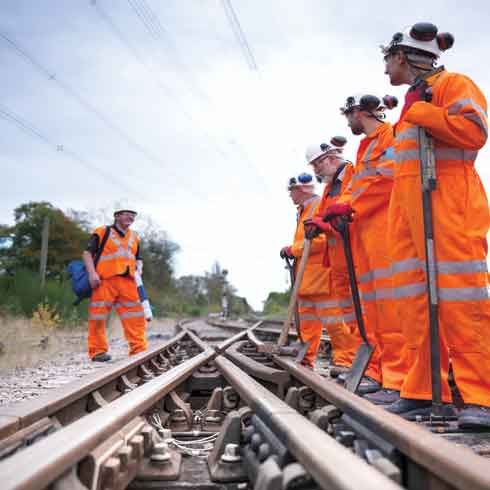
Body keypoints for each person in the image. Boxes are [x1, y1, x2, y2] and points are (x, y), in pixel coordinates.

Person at [381, 22, 490, 426]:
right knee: (413, 305)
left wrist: (426, 111)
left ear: (404, 56)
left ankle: (481, 395)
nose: (385, 69)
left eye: (387, 59)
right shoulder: (411, 105)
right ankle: (423, 389)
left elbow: (475, 132)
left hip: (449, 206)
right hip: (410, 212)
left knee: (462, 303)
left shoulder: (453, 85)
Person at [320, 94, 408, 404]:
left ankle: (396, 380)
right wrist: (341, 209)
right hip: (365, 237)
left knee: (389, 311)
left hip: (384, 232)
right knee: (371, 311)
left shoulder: (389, 136)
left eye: (348, 115)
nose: (347, 122)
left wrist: (348, 205)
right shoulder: (366, 146)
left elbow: (386, 181)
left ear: (360, 112)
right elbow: (360, 188)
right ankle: (379, 372)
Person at [305, 139, 381, 393]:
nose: (317, 171)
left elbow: (354, 207)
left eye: (318, 164)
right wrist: (320, 225)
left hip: (354, 254)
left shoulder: (350, 173)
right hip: (338, 256)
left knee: (365, 314)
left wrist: (329, 222)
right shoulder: (329, 187)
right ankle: (359, 365)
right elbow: (331, 214)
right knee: (351, 316)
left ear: (329, 158)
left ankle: (374, 369)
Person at [281, 172, 354, 369]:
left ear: (302, 189)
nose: (290, 195)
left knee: (336, 324)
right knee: (305, 325)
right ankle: (305, 361)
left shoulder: (317, 206)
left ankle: (345, 363)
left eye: (292, 190)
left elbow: (320, 238)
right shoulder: (303, 210)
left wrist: (293, 249)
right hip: (305, 279)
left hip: (321, 277)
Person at [83, 208, 148, 362]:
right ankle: (98, 352)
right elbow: (87, 253)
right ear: (117, 216)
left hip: (129, 282)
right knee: (98, 316)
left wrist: (140, 266)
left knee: (136, 317)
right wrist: (92, 274)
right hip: (105, 281)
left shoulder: (135, 237)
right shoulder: (102, 232)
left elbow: (138, 257)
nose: (131, 217)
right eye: (127, 214)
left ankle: (139, 350)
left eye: (133, 215)